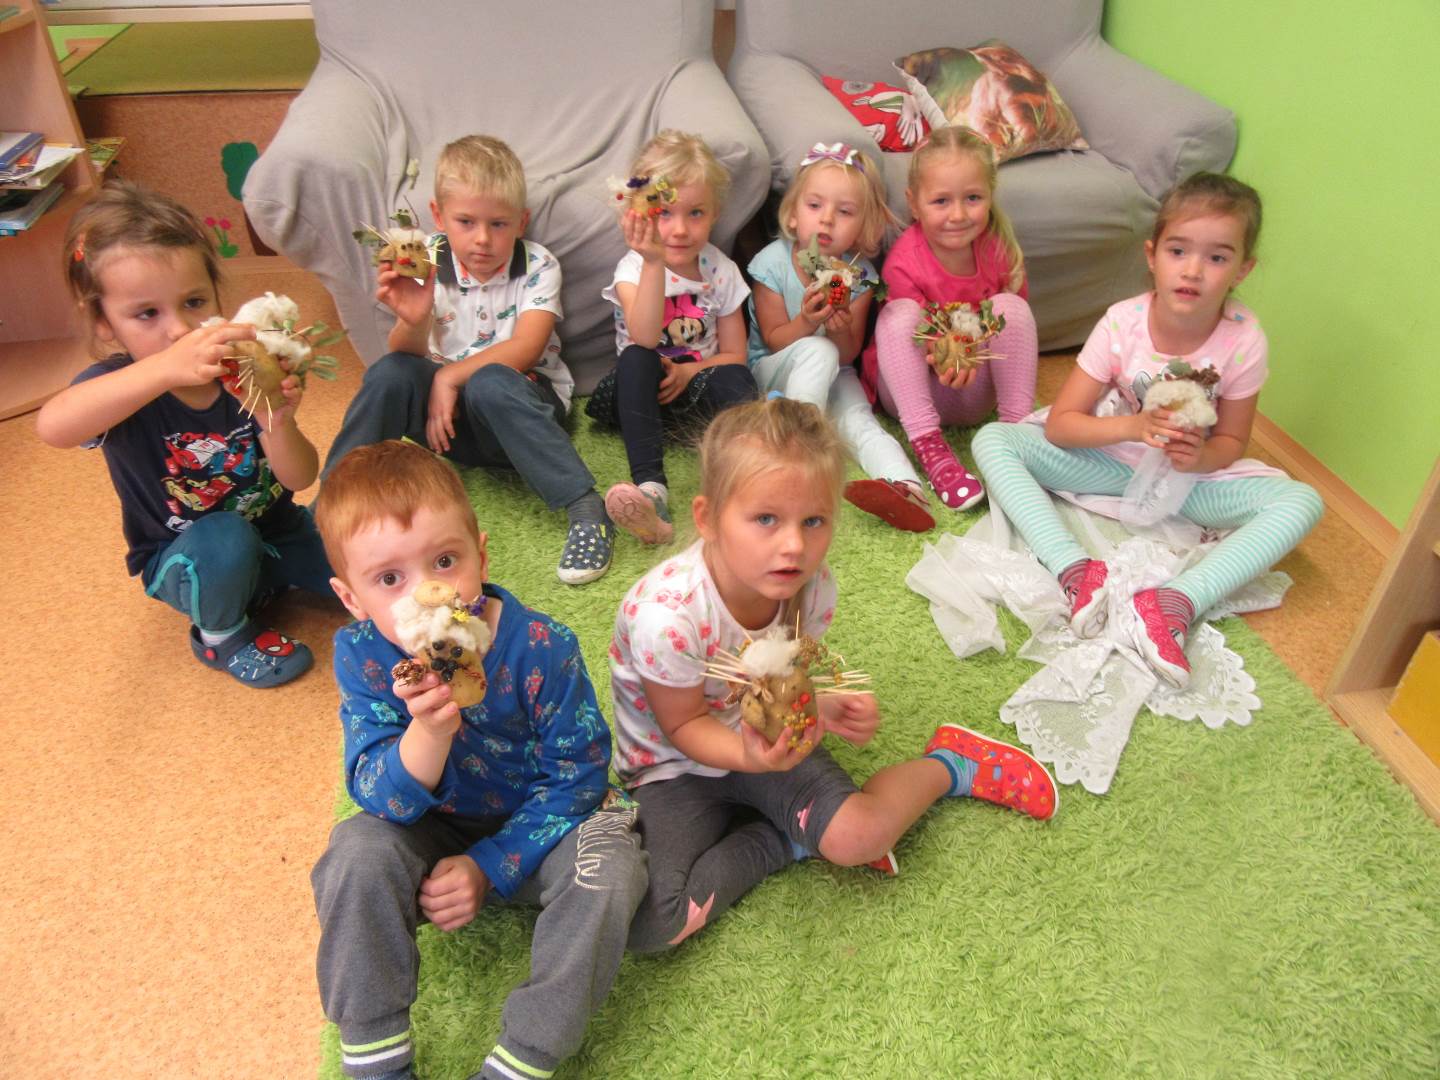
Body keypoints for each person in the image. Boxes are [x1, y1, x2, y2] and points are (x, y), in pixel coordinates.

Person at [609, 398, 1057, 952]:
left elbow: (785, 679)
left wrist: (816, 705)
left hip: (766, 739)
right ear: (708, 519)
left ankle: (952, 764)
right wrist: (751, 757)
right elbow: (682, 725)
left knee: (861, 836)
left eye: (814, 521)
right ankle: (787, 841)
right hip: (671, 767)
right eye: (765, 519)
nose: (794, 545)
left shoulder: (811, 587)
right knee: (652, 925)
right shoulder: (666, 618)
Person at [309, 439, 646, 1080]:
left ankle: (524, 1058)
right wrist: (429, 733)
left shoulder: (543, 646)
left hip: (545, 829)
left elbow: (578, 775)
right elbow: (375, 793)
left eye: (444, 561)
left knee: (612, 873)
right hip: (431, 830)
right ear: (352, 599)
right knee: (354, 853)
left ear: (481, 556)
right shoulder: (361, 654)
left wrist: (490, 866)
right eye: (389, 580)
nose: (427, 594)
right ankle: (376, 1053)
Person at [972, 173, 1323, 688]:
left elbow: (1231, 442)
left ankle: (1176, 601)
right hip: (1111, 462)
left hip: (1188, 482)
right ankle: (1075, 571)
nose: (1193, 270)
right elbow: (1063, 425)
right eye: (1178, 251)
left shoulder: (1244, 339)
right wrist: (1134, 426)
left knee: (1302, 501)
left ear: (1242, 270)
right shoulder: (1122, 323)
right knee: (993, 440)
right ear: (1152, 255)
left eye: (1217, 257)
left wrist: (1198, 458)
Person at [36, 180, 328, 687]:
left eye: (194, 302)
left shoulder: (241, 372)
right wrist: (164, 370)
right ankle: (221, 634)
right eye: (147, 314)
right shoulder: (120, 388)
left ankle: (269, 581)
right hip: (191, 557)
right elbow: (53, 427)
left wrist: (276, 419)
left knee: (359, 557)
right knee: (225, 537)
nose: (179, 330)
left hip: (277, 534)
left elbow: (299, 477)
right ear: (103, 322)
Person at [323, 135, 615, 586]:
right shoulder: (426, 260)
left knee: (490, 381)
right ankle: (329, 507)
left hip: (523, 413)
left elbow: (527, 347)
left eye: (498, 224)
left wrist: (450, 378)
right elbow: (405, 357)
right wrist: (415, 320)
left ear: (521, 222)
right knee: (389, 373)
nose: (482, 239)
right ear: (439, 216)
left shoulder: (538, 264)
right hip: (449, 428)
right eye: (465, 222)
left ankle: (585, 507)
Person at [747, 142, 934, 532]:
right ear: (793, 215)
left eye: (845, 211)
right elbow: (774, 339)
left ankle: (905, 486)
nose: (827, 220)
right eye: (815, 206)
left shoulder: (859, 276)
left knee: (860, 421)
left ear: (863, 226)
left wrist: (840, 328)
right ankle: (797, 458)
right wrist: (806, 322)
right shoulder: (772, 263)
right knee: (817, 349)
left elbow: (847, 354)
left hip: (836, 370)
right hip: (774, 371)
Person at [586, 129, 758, 546]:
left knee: (740, 380)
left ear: (715, 213)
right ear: (640, 213)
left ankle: (738, 484)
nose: (680, 229)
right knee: (636, 358)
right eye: (664, 213)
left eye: (695, 213)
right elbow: (644, 337)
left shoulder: (721, 270)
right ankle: (652, 491)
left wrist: (689, 373)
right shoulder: (633, 268)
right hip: (636, 396)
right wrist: (653, 263)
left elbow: (735, 355)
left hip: (695, 393)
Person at [863, 126, 1039, 512]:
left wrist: (971, 352)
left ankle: (1020, 439)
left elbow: (1010, 336)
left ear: (990, 195)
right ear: (914, 203)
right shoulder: (904, 261)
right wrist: (947, 354)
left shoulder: (1000, 251)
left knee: (1013, 308)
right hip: (917, 389)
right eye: (941, 201)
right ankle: (930, 448)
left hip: (973, 391)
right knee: (896, 316)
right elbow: (910, 340)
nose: (958, 215)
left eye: (972, 198)